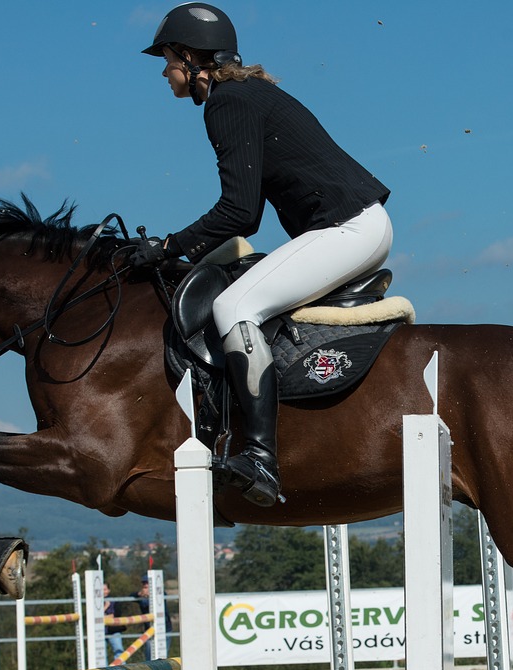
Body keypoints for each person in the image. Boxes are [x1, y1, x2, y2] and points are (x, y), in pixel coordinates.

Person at [133, 2, 393, 508]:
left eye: (166, 60)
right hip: (360, 225)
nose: (164, 73)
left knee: (233, 307)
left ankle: (258, 456)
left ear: (190, 56)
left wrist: (170, 246)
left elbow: (239, 212)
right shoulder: (250, 94)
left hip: (349, 229)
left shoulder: (226, 103)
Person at [103, 583, 125, 663]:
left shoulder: (114, 601)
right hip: (101, 632)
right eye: (101, 590)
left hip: (114, 631)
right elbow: (95, 617)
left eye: (105, 589)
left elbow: (115, 615)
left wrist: (104, 617)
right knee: (101, 655)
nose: (103, 592)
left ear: (109, 590)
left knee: (118, 651)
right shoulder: (95, 602)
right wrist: (105, 607)